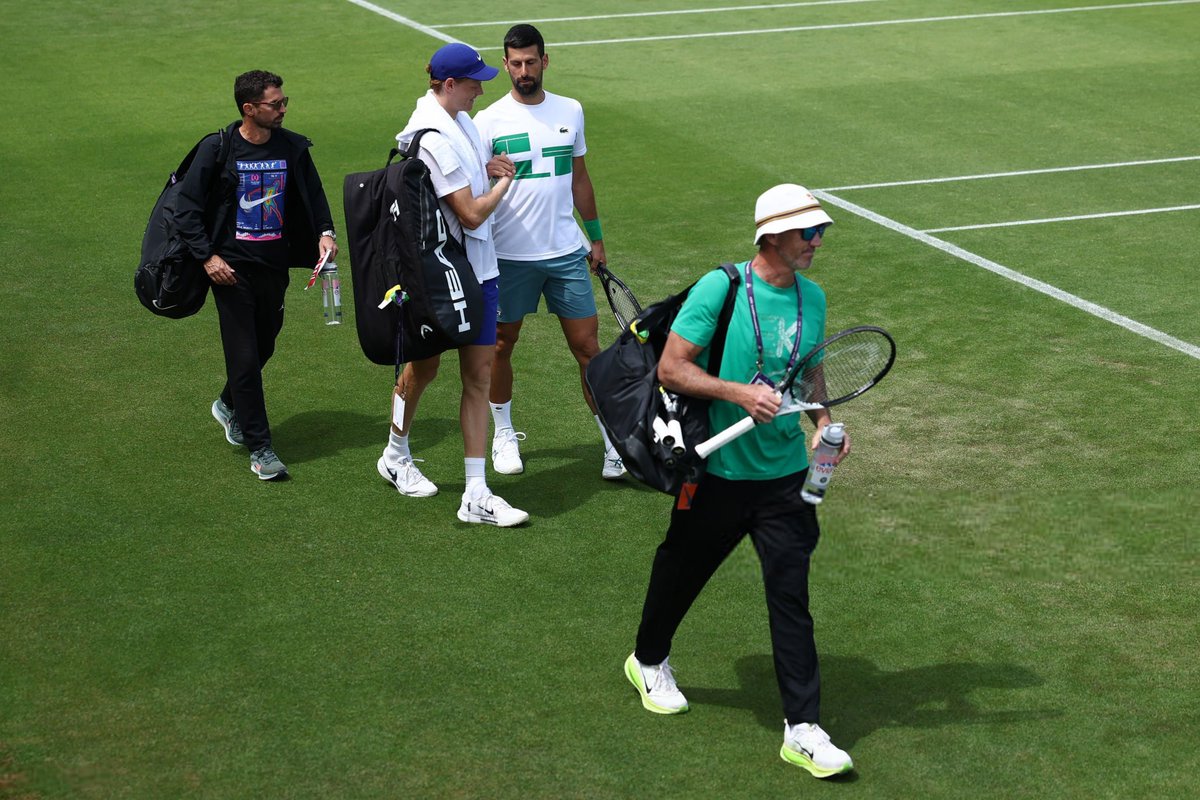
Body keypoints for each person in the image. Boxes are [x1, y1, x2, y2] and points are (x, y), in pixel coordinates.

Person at [622, 184, 855, 779]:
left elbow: (812, 373)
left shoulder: (813, 299)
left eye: (820, 230)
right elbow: (673, 369)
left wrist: (825, 421)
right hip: (718, 474)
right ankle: (648, 659)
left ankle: (802, 728)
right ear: (771, 235)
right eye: (809, 232)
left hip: (785, 480)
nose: (818, 241)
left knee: (791, 596)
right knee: (682, 569)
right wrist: (737, 393)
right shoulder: (720, 288)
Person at [376, 43, 530, 528]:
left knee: (478, 379)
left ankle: (476, 492)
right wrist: (505, 184)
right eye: (472, 82)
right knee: (422, 373)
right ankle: (395, 453)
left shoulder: (461, 123)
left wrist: (486, 170)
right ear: (447, 85)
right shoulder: (432, 137)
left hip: (478, 274)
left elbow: (461, 185)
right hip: (436, 281)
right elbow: (469, 212)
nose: (481, 89)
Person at [473, 24, 625, 480]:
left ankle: (611, 441)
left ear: (545, 60)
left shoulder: (571, 110)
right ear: (505, 65)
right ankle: (502, 433)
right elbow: (468, 186)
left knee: (588, 349)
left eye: (531, 62)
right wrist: (486, 167)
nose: (523, 71)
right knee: (501, 345)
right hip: (508, 256)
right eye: (515, 64)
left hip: (565, 252)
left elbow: (580, 178)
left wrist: (595, 237)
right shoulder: (488, 121)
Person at [176, 70, 337, 480]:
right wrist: (208, 258)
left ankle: (229, 403)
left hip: (274, 268)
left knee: (265, 344)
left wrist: (325, 233)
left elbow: (314, 195)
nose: (283, 109)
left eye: (284, 102)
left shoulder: (292, 147)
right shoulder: (219, 148)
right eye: (275, 104)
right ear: (249, 109)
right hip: (230, 271)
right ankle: (260, 448)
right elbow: (186, 208)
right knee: (244, 356)